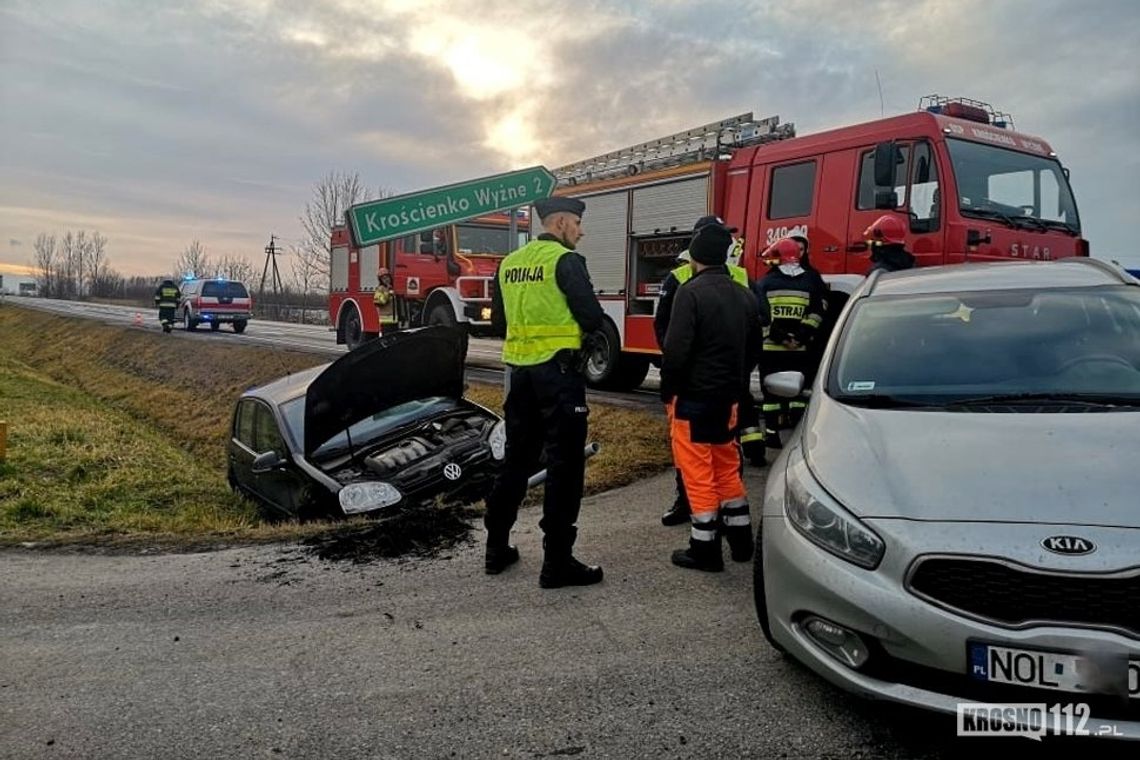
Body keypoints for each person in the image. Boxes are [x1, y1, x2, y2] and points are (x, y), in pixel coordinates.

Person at [483, 195, 607, 589]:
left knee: (516, 461)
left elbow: (500, 323)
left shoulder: (510, 264)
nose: (581, 232)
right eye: (577, 224)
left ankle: (496, 548)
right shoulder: (565, 261)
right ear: (560, 223)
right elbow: (590, 316)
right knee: (565, 465)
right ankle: (557, 562)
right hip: (559, 374)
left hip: (520, 375)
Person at [660, 221, 760, 571]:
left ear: (695, 257)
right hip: (729, 398)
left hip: (693, 398)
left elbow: (675, 351)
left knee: (698, 474)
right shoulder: (744, 294)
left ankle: (704, 549)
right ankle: (742, 541)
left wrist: (668, 389)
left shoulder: (691, 292)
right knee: (726, 467)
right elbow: (754, 349)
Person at [753, 238, 828, 456]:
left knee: (770, 396)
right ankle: (797, 435)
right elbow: (817, 313)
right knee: (797, 394)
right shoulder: (810, 282)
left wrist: (781, 338)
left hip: (771, 350)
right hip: (799, 350)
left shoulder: (765, 284)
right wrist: (800, 337)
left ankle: (772, 434)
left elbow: (762, 318)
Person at [373, 267, 399, 334]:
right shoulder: (380, 289)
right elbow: (381, 301)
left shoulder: (392, 288)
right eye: (384, 278)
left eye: (387, 277)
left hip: (394, 321)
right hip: (386, 322)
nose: (386, 279)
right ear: (381, 280)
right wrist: (387, 293)